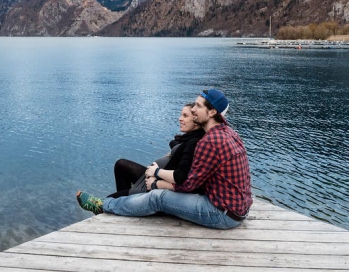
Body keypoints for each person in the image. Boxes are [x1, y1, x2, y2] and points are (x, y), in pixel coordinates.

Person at [77, 88, 252, 230]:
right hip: (236, 208)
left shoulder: (210, 141)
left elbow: (187, 184)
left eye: (198, 106)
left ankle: (103, 206)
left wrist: (156, 183)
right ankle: (116, 206)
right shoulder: (229, 133)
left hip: (221, 214)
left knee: (158, 198)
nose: (193, 109)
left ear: (212, 111)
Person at [109, 103, 205, 198]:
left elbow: (180, 176)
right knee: (121, 165)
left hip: (156, 184)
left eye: (185, 116)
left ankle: (125, 201)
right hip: (154, 178)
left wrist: (156, 173)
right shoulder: (189, 138)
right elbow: (176, 144)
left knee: (111, 199)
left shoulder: (194, 142)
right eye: (181, 115)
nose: (180, 119)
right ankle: (126, 201)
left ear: (196, 121)